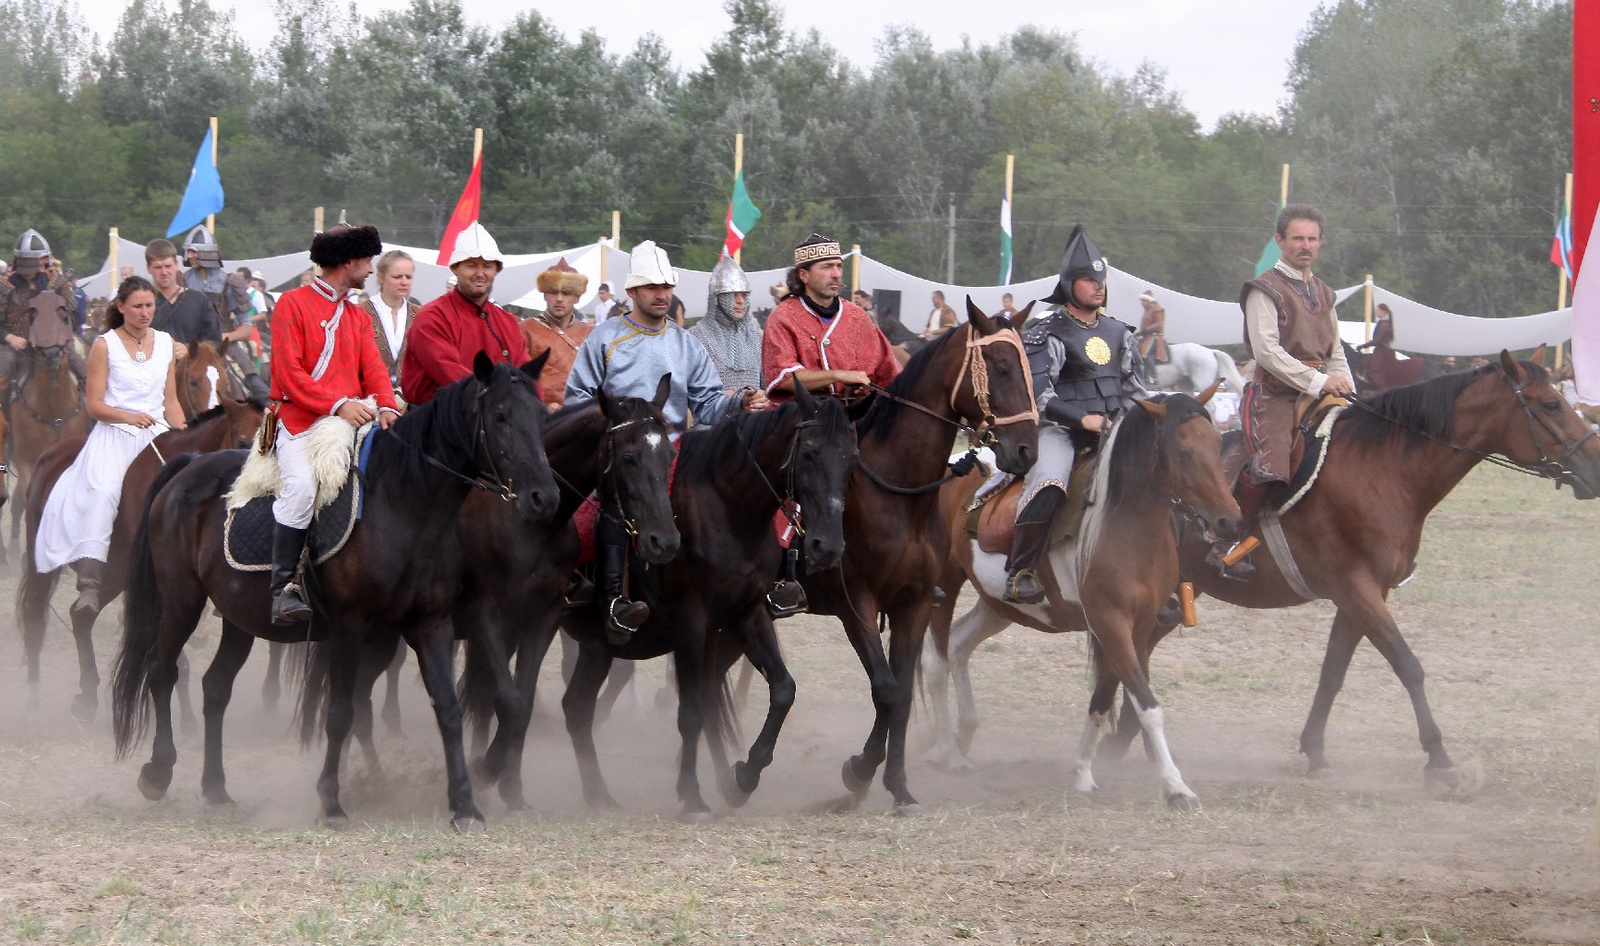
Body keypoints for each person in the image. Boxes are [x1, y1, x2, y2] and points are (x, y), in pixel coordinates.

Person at [566, 241, 769, 636]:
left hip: (675, 450)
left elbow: (708, 400)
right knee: (614, 501)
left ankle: (725, 591)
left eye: (666, 287)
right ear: (633, 292)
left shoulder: (685, 343)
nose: (661, 295)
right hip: (621, 453)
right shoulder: (604, 339)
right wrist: (613, 434)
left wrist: (740, 403)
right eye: (651, 287)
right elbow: (579, 401)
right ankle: (612, 601)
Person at [1209, 203, 1354, 581]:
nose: (1305, 246)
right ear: (1280, 241)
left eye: (1312, 239)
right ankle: (1225, 540)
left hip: (1322, 390)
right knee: (1270, 466)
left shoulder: (1324, 292)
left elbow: (1335, 349)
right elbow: (1267, 353)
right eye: (1297, 238)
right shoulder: (1264, 289)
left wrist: (1343, 381)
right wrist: (1319, 381)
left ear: (1320, 242)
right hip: (1275, 394)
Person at [267, 223, 400, 624]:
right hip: (299, 421)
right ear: (348, 262)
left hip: (352, 420)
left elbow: (374, 368)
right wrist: (339, 403)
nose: (372, 267)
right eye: (367, 260)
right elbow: (289, 375)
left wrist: (389, 406)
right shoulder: (291, 304)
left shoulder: (358, 317)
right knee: (303, 486)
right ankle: (282, 589)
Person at [1005, 224, 1142, 604]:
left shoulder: (1120, 332)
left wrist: (1135, 423)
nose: (1098, 286)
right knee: (1050, 480)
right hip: (1059, 431)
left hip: (1114, 429)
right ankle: (1021, 571)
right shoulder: (1045, 331)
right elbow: (1039, 394)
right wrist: (1083, 420)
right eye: (1087, 279)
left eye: (1100, 279)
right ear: (1068, 284)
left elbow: (1135, 390)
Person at [34, 276, 185, 617]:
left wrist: (184, 432)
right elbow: (94, 405)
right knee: (103, 491)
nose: (145, 312)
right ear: (121, 307)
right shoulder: (105, 345)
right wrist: (128, 417)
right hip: (115, 434)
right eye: (138, 306)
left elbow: (171, 400)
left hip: (157, 435)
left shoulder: (164, 343)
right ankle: (90, 580)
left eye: (150, 305)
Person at [401, 222, 529, 406]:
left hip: (497, 418)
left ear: (496, 270)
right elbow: (450, 374)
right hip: (437, 421)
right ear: (455, 268)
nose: (480, 273)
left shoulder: (507, 322)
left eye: (487, 266)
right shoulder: (432, 317)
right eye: (471, 265)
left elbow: (526, 372)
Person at [762, 233, 900, 398]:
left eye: (839, 266)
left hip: (857, 417)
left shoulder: (857, 316)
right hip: (802, 417)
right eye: (826, 267)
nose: (836, 274)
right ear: (803, 275)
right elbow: (782, 378)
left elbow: (890, 373)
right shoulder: (783, 317)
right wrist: (838, 375)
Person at [0, 230, 87, 417]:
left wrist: (57, 324)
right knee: (1, 374)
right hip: (15, 345)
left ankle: (94, 425)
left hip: (56, 342)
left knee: (85, 371)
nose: (29, 274)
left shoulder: (58, 284)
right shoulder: (5, 287)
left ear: (44, 261)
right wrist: (10, 337)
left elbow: (75, 317)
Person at [181, 226, 267, 399]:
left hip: (225, 346)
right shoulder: (182, 280)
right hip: (188, 346)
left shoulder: (231, 282)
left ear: (207, 253)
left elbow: (246, 329)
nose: (189, 255)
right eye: (188, 251)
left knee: (259, 392)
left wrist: (222, 338)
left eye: (193, 251)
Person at [518, 257, 592, 408]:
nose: (559, 299)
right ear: (545, 295)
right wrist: (542, 407)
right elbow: (516, 382)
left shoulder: (591, 333)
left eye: (566, 293)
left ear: (577, 297)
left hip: (583, 418)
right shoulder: (524, 330)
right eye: (553, 292)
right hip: (539, 418)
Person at [690, 255, 762, 392]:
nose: (740, 301)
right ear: (717, 298)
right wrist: (720, 399)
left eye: (744, 295)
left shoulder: (755, 340)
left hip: (754, 413)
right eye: (733, 294)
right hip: (716, 412)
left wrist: (764, 397)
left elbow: (768, 389)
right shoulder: (694, 339)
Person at [145, 239, 221, 361]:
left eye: (168, 266)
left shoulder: (199, 301)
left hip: (190, 374)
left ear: (176, 264)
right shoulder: (140, 303)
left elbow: (214, 341)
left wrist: (189, 349)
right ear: (149, 268)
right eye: (158, 267)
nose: (164, 272)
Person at [359, 249, 418, 400]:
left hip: (410, 401)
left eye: (408, 277)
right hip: (368, 399)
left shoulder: (420, 315)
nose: (404, 282)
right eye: (397, 277)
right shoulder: (360, 312)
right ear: (381, 277)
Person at [1135, 289, 1168, 386]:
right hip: (1147, 336)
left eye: (1143, 301)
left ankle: (1154, 378)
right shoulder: (1148, 310)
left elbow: (1159, 323)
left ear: (1148, 300)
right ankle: (1144, 378)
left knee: (1145, 354)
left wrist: (1147, 329)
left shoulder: (1157, 309)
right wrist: (1140, 333)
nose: (1141, 303)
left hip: (1155, 337)